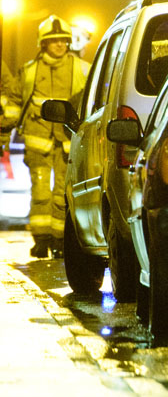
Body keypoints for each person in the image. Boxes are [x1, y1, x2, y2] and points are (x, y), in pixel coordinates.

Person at [9, 16, 91, 259]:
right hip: (38, 142)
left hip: (68, 141)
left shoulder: (82, 69)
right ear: (43, 44)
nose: (59, 45)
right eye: (53, 40)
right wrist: (5, 127)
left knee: (63, 194)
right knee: (41, 192)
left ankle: (59, 240)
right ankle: (41, 240)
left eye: (63, 40)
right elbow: (15, 102)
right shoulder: (29, 71)